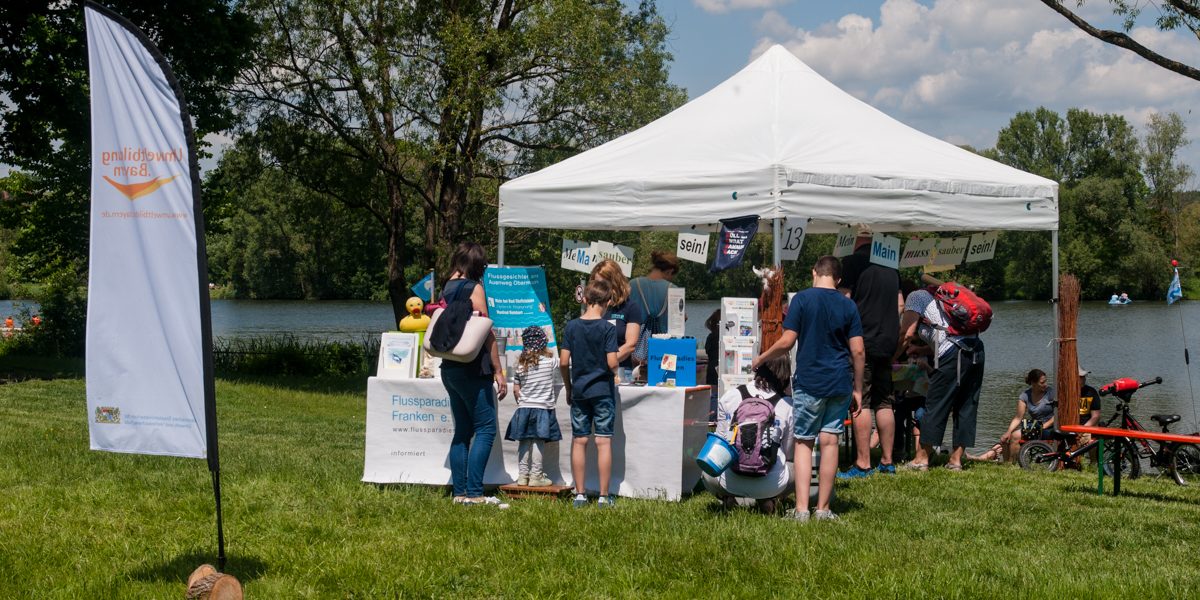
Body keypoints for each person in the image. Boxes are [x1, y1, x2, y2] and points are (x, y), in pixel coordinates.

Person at [753, 255, 864, 522]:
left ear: (814, 272)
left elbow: (787, 341)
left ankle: (802, 509)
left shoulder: (801, 300)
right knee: (830, 442)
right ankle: (824, 509)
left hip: (809, 382)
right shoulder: (848, 306)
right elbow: (858, 350)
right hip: (839, 382)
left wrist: (762, 357)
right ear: (838, 279)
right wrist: (858, 388)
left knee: (804, 443)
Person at [439, 242, 509, 508]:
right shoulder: (474, 288)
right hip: (472, 367)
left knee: (463, 430)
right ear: (479, 265)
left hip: (450, 366)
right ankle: (474, 493)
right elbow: (486, 331)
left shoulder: (448, 285)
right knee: (485, 428)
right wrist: (498, 370)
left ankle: (459, 493)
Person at [898, 275, 985, 471]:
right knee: (966, 406)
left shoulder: (915, 297)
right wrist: (922, 351)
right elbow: (948, 334)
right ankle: (955, 461)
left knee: (935, 405)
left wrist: (893, 355)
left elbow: (907, 333)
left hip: (953, 355)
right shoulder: (942, 298)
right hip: (976, 351)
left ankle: (921, 460)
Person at [838, 225, 901, 477]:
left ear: (858, 238)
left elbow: (843, 299)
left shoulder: (853, 262)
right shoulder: (890, 263)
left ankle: (863, 463)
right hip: (887, 340)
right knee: (884, 402)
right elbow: (900, 303)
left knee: (859, 401)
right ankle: (887, 461)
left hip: (862, 340)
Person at [702, 356, 798, 514]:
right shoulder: (787, 404)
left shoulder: (730, 396)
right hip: (771, 483)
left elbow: (719, 444)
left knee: (707, 471)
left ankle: (728, 497)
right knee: (797, 467)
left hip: (728, 481)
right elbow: (789, 453)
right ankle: (769, 498)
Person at [560, 279, 620, 509]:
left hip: (580, 391)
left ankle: (580, 494)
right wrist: (615, 368)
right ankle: (604, 496)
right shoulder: (607, 328)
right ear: (608, 302)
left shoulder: (572, 327)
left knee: (579, 440)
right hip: (603, 391)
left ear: (584, 299)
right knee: (603, 441)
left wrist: (568, 387)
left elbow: (564, 362)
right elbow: (612, 361)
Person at [506, 326, 562, 488]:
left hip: (523, 408)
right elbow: (566, 363)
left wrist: (523, 402)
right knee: (538, 441)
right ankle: (536, 475)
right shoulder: (550, 362)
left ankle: (523, 476)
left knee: (524, 441)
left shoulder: (520, 366)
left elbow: (516, 390)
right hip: (542, 408)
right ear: (543, 344)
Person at [589, 259, 643, 381]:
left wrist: (608, 360)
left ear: (615, 282)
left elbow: (631, 345)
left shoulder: (630, 307)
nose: (598, 287)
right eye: (595, 283)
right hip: (592, 371)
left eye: (602, 283)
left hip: (621, 372)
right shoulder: (592, 307)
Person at [999, 369, 1055, 460]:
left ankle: (1012, 465)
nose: (1045, 384)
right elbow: (1018, 418)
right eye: (1042, 382)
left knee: (1016, 436)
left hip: (1051, 428)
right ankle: (1008, 465)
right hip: (1036, 426)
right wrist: (1008, 432)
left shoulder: (1051, 393)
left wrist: (1044, 426)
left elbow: (1058, 414)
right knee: (1007, 438)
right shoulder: (1025, 396)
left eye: (1046, 381)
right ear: (1033, 383)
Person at [629, 250, 679, 336]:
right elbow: (678, 324)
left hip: (635, 342)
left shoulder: (632, 284)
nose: (671, 279)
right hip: (663, 345)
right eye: (672, 276)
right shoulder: (674, 289)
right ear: (670, 271)